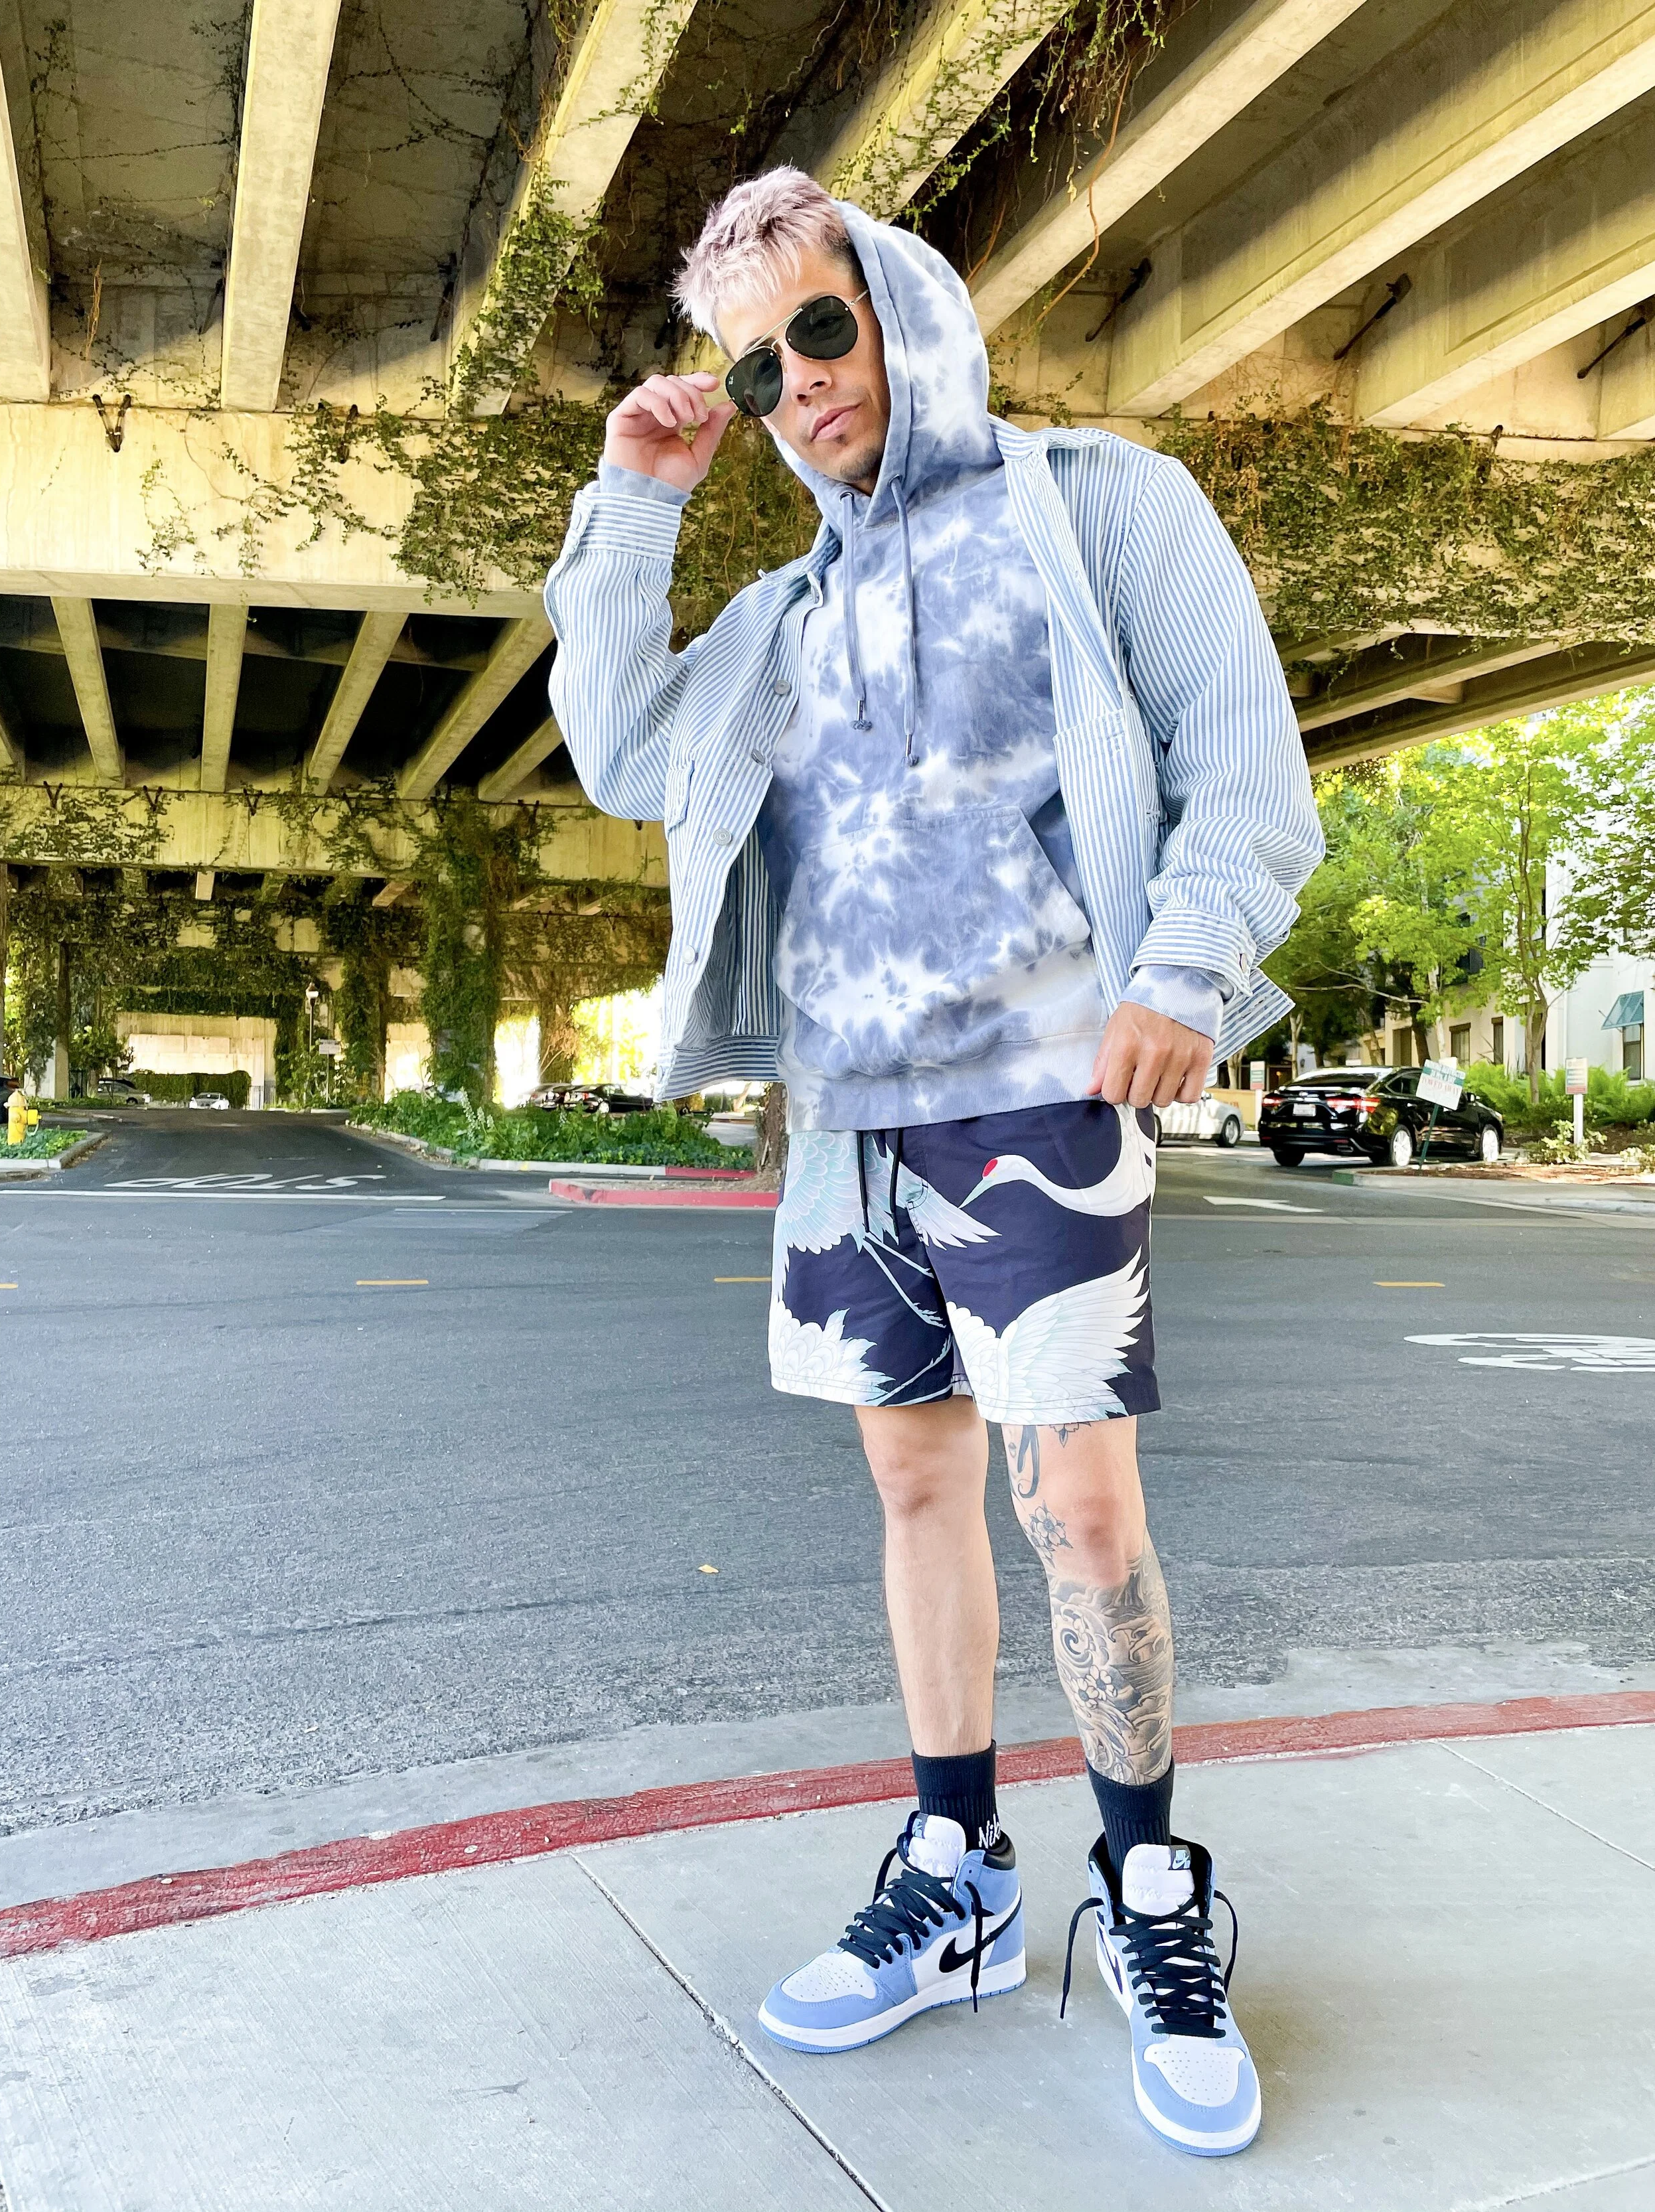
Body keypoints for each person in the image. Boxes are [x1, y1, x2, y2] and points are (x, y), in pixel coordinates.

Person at [545, 168, 1322, 2158]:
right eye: (755, 363)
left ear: (897, 303)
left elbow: (1242, 754)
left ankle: (1147, 1887)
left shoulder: (1094, 504)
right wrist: (635, 498)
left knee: (1075, 1506)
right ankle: (958, 1869)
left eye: (822, 327)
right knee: (912, 1478)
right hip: (848, 1116)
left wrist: (1182, 968)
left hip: (1040, 1098)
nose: (797, 385)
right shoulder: (785, 612)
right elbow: (622, 745)